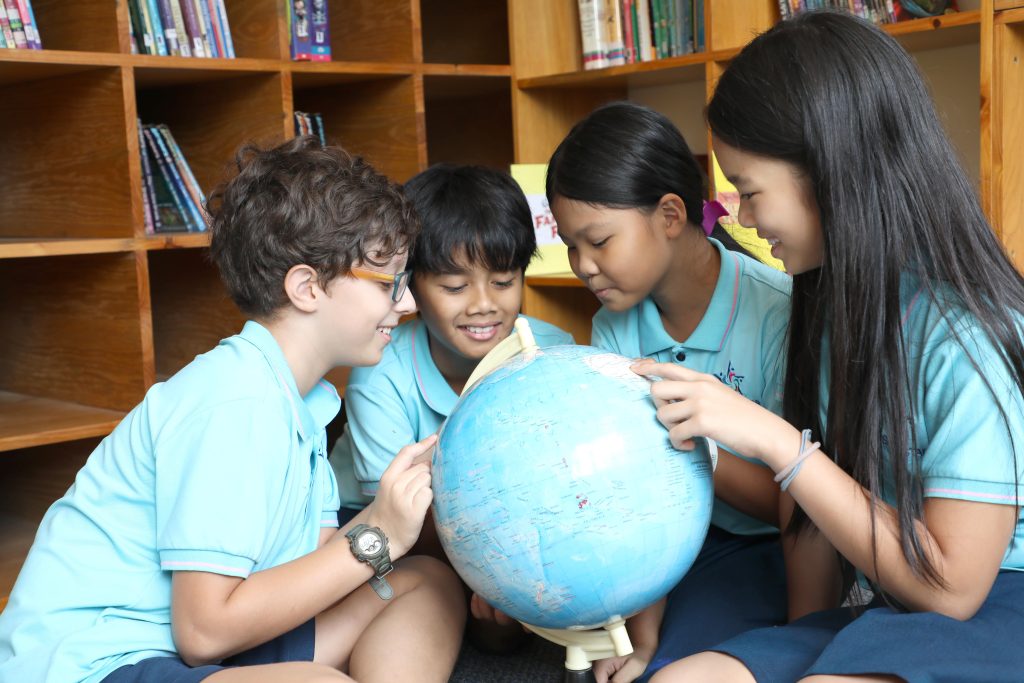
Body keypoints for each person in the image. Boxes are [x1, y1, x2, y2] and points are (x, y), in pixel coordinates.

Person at [641, 11, 1024, 682]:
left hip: (997, 601)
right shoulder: (831, 303)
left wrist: (778, 444)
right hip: (892, 607)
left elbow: (954, 590)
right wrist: (798, 643)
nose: (743, 218)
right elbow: (814, 515)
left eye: (750, 191)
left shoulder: (966, 336)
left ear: (829, 173)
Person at [0, 136, 467, 683]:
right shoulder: (235, 401)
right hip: (102, 661)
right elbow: (203, 634)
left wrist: (396, 511)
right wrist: (379, 533)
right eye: (390, 282)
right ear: (307, 288)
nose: (407, 303)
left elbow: (314, 568)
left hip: (210, 641)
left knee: (427, 581)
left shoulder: (303, 399)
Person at [545, 101, 793, 683]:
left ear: (670, 215)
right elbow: (635, 490)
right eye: (570, 245)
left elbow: (797, 504)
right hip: (658, 541)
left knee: (676, 668)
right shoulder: (613, 326)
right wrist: (641, 620)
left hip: (764, 547)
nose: (583, 265)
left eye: (598, 241)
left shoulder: (779, 313)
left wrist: (698, 446)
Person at [328, 163, 573, 649]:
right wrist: (497, 575)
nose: (483, 304)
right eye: (455, 287)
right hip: (382, 524)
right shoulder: (380, 374)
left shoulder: (553, 353)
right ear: (411, 286)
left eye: (503, 281)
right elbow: (399, 521)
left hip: (502, 525)